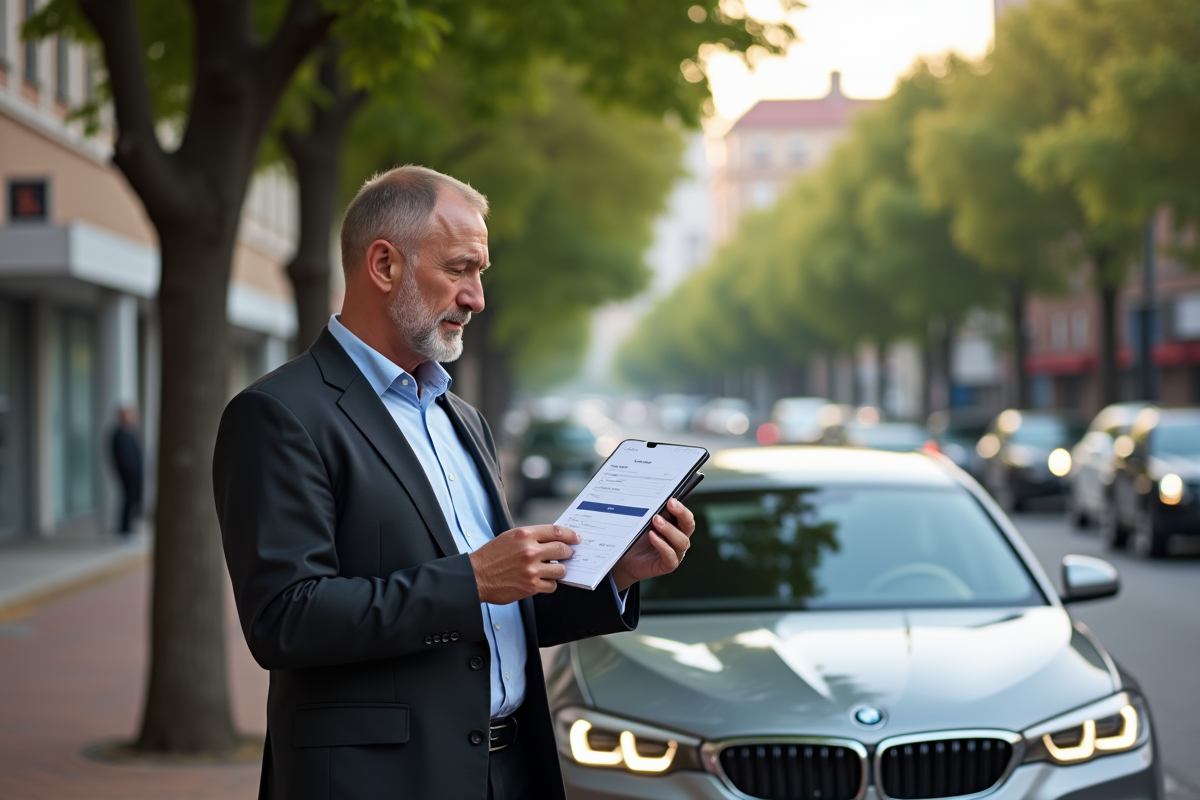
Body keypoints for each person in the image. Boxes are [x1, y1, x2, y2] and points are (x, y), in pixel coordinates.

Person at [213, 165, 696, 800]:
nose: (477, 298)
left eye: (480, 272)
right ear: (383, 265)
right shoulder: (279, 413)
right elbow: (284, 618)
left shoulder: (462, 419)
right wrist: (471, 580)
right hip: (378, 784)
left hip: (510, 772)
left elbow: (500, 612)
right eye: (460, 269)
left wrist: (616, 574)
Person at [110, 406, 143, 536]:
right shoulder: (119, 435)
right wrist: (129, 471)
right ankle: (124, 529)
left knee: (132, 501)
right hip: (128, 475)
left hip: (134, 475)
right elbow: (121, 458)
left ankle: (128, 528)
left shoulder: (130, 433)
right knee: (127, 501)